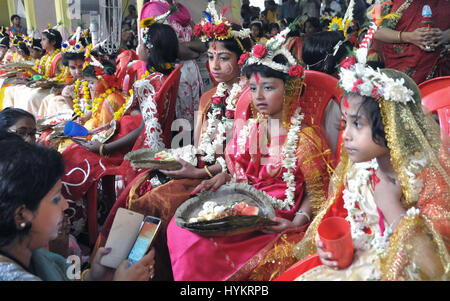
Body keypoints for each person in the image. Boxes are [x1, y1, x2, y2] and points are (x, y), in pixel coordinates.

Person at [277, 24, 449, 281]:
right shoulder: (361, 170)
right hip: (364, 261)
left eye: (357, 124)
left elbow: (436, 266)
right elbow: (352, 222)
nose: (345, 135)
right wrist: (335, 246)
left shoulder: (426, 179)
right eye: (345, 123)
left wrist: (389, 203)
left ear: (391, 125)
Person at [95, 2, 253, 281]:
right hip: (201, 163)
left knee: (155, 199)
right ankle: (114, 266)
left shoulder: (251, 101)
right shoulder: (211, 96)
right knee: (140, 184)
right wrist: (185, 160)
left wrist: (198, 171)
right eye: (212, 56)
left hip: (224, 177)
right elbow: (200, 143)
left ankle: (142, 271)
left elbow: (244, 162)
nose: (214, 65)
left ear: (242, 60)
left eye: (224, 58)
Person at [166, 27, 333, 281]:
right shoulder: (250, 129)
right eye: (253, 89)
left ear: (288, 89)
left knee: (199, 246)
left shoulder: (305, 138)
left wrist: (298, 221)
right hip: (242, 206)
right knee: (180, 229)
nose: (259, 97)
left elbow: (316, 192)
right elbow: (235, 169)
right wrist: (222, 177)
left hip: (275, 220)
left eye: (268, 88)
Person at [60, 21, 179, 238]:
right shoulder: (166, 75)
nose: (137, 48)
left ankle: (76, 223)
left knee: (73, 155)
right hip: (128, 135)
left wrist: (104, 148)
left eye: (142, 44)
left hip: (129, 146)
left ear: (150, 49)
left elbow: (145, 130)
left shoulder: (149, 83)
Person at [0, 133, 155, 281]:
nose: (65, 204)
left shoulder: (33, 254)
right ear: (21, 215)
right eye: (55, 199)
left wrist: (93, 278)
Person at [140, 0, 204, 130]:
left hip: (192, 72)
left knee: (197, 123)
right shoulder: (154, 10)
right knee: (181, 128)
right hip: (174, 73)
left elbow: (202, 44)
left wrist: (186, 46)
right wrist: (193, 52)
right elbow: (167, 48)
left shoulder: (180, 8)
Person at [373, 0, 450, 84]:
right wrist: (409, 37)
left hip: (439, 71)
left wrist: (445, 35)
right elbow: (374, 30)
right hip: (397, 72)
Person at [302, 30, 351, 155]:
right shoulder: (339, 100)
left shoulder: (300, 89)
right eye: (347, 59)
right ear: (333, 64)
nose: (351, 63)